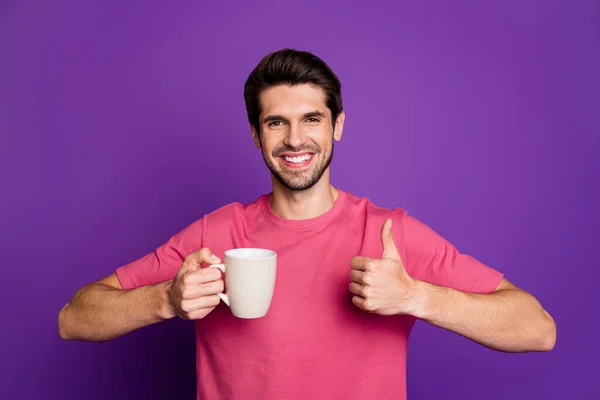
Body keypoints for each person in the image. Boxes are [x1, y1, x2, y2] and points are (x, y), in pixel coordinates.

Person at [58, 49, 556, 399]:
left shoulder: (390, 236)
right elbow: (74, 318)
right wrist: (164, 300)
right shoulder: (214, 234)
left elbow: (537, 329)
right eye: (276, 122)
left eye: (312, 119)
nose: (295, 139)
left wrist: (416, 298)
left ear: (337, 125)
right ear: (256, 134)